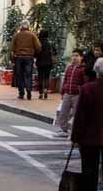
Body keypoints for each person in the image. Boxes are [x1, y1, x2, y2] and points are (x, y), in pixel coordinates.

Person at [71, 57, 103, 191]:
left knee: (89, 172)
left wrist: (75, 137)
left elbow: (80, 116)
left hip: (90, 138)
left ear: (96, 71)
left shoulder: (88, 89)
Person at [54, 49, 86, 138]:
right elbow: (65, 80)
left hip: (77, 94)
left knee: (76, 113)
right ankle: (63, 129)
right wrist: (63, 91)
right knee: (63, 112)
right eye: (73, 56)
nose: (74, 58)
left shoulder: (83, 69)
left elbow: (84, 82)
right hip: (67, 93)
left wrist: (81, 91)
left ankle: (75, 131)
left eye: (77, 56)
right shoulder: (69, 67)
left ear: (81, 57)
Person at [12, 20, 41, 100]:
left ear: (21, 26)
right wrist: (34, 53)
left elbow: (12, 47)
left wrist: (15, 54)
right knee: (28, 75)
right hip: (29, 57)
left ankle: (21, 93)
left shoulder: (17, 35)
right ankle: (29, 91)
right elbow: (38, 47)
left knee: (20, 75)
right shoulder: (32, 35)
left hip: (19, 57)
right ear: (28, 26)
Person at [35, 30, 53, 99]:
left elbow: (37, 52)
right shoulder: (49, 43)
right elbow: (53, 52)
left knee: (40, 77)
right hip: (48, 62)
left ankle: (41, 93)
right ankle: (45, 89)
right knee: (46, 77)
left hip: (40, 62)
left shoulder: (38, 43)